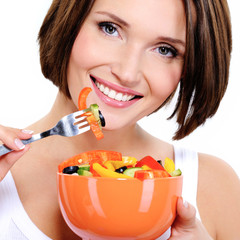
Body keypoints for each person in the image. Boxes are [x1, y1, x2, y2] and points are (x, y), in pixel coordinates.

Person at [0, 0, 239, 239]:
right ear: (69, 22)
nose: (127, 73)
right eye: (110, 28)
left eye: (165, 49)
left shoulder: (214, 188)